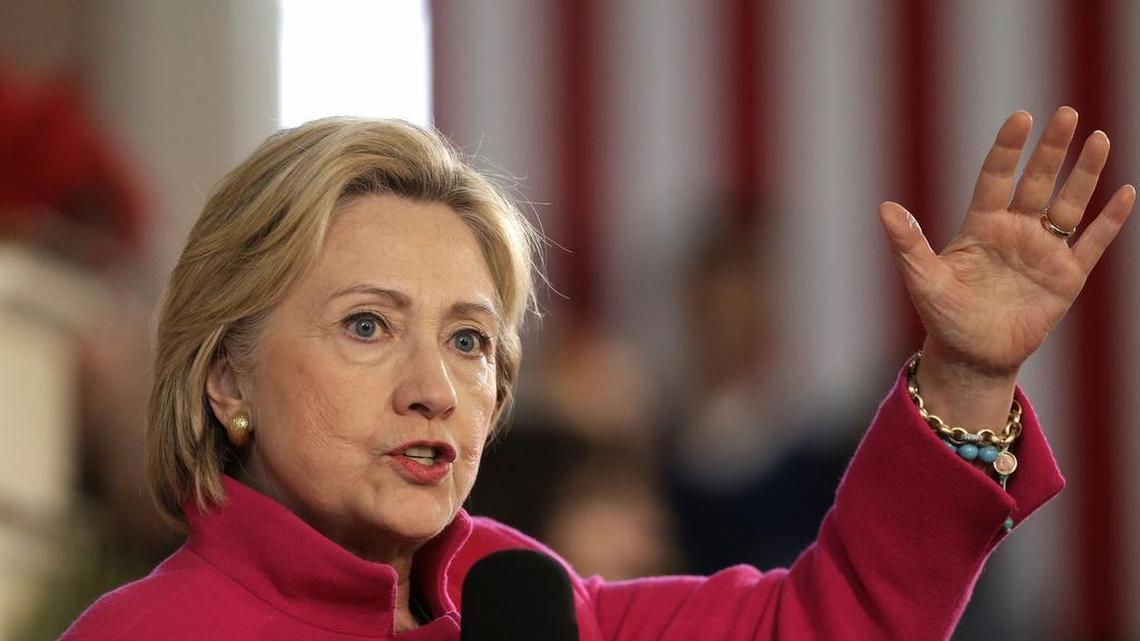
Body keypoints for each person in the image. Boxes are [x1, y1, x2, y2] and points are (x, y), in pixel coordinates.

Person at [60, 107, 1132, 639]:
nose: (435, 385)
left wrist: (966, 370)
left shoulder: (528, 601)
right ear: (224, 377)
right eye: (367, 326)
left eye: (471, 339)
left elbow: (832, 614)